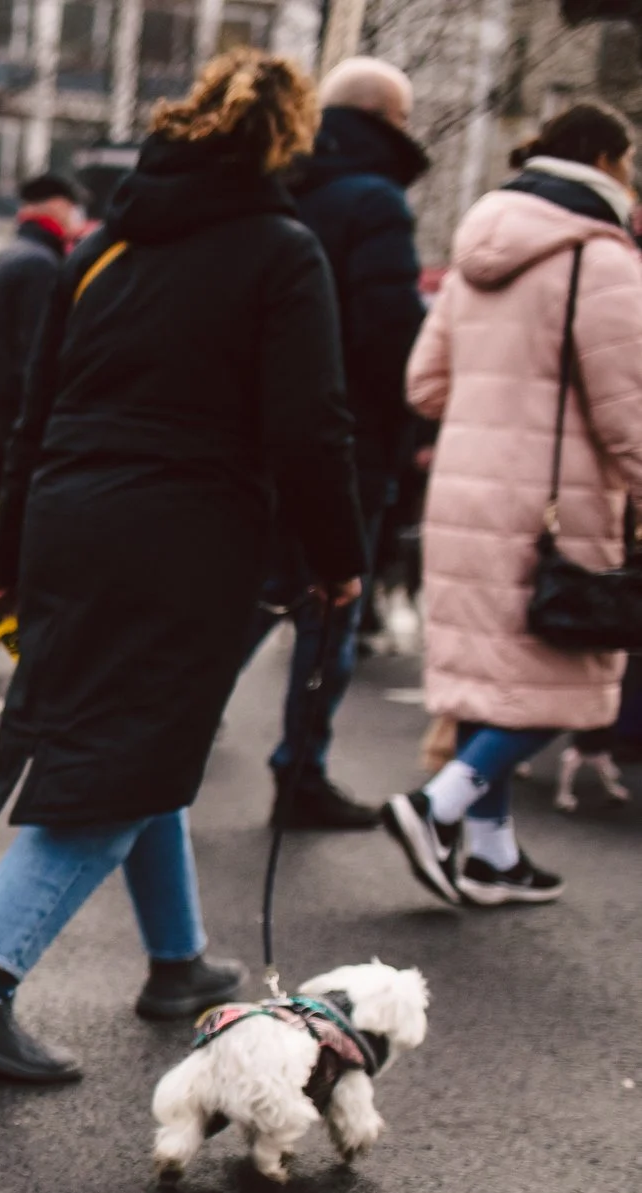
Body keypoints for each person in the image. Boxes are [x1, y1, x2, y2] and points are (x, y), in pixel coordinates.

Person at [0, 50, 367, 1083]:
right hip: (184, 532)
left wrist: (8, 542)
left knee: (137, 732)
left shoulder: (103, 245)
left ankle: (177, 959)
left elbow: (37, 407)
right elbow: (312, 425)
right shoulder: (280, 250)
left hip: (75, 516)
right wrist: (337, 555)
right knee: (117, 759)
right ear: (284, 141)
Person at [381, 104, 642, 909]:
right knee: (576, 668)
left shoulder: (476, 250)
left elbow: (424, 384)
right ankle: (438, 806)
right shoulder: (600, 260)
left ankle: (491, 851)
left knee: (490, 674)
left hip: (465, 490)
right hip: (554, 502)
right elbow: (627, 410)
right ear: (606, 159)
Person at [244, 57, 429, 831]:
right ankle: (301, 771)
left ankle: (164, 742)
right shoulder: (376, 203)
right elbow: (391, 336)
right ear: (389, 120)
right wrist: (414, 423)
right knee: (329, 611)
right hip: (349, 443)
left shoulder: (271, 183)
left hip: (258, 436)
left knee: (246, 602)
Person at [0, 173, 80, 513]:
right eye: (71, 206)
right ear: (56, 206)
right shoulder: (40, 265)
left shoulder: (3, 258)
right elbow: (36, 354)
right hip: (13, 414)